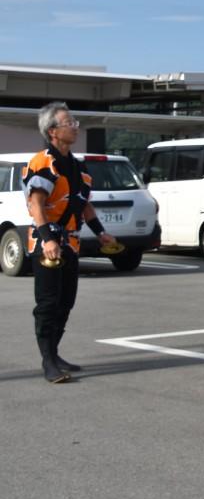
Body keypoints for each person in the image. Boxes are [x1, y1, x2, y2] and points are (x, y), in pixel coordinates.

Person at [23, 102, 119, 383]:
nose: (75, 127)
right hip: (46, 244)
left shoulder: (77, 166)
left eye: (75, 122)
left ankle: (54, 353)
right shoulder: (43, 163)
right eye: (69, 123)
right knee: (48, 303)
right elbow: (36, 205)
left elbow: (84, 205)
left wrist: (101, 232)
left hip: (71, 243)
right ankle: (48, 362)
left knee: (66, 302)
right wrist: (48, 239)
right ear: (52, 131)